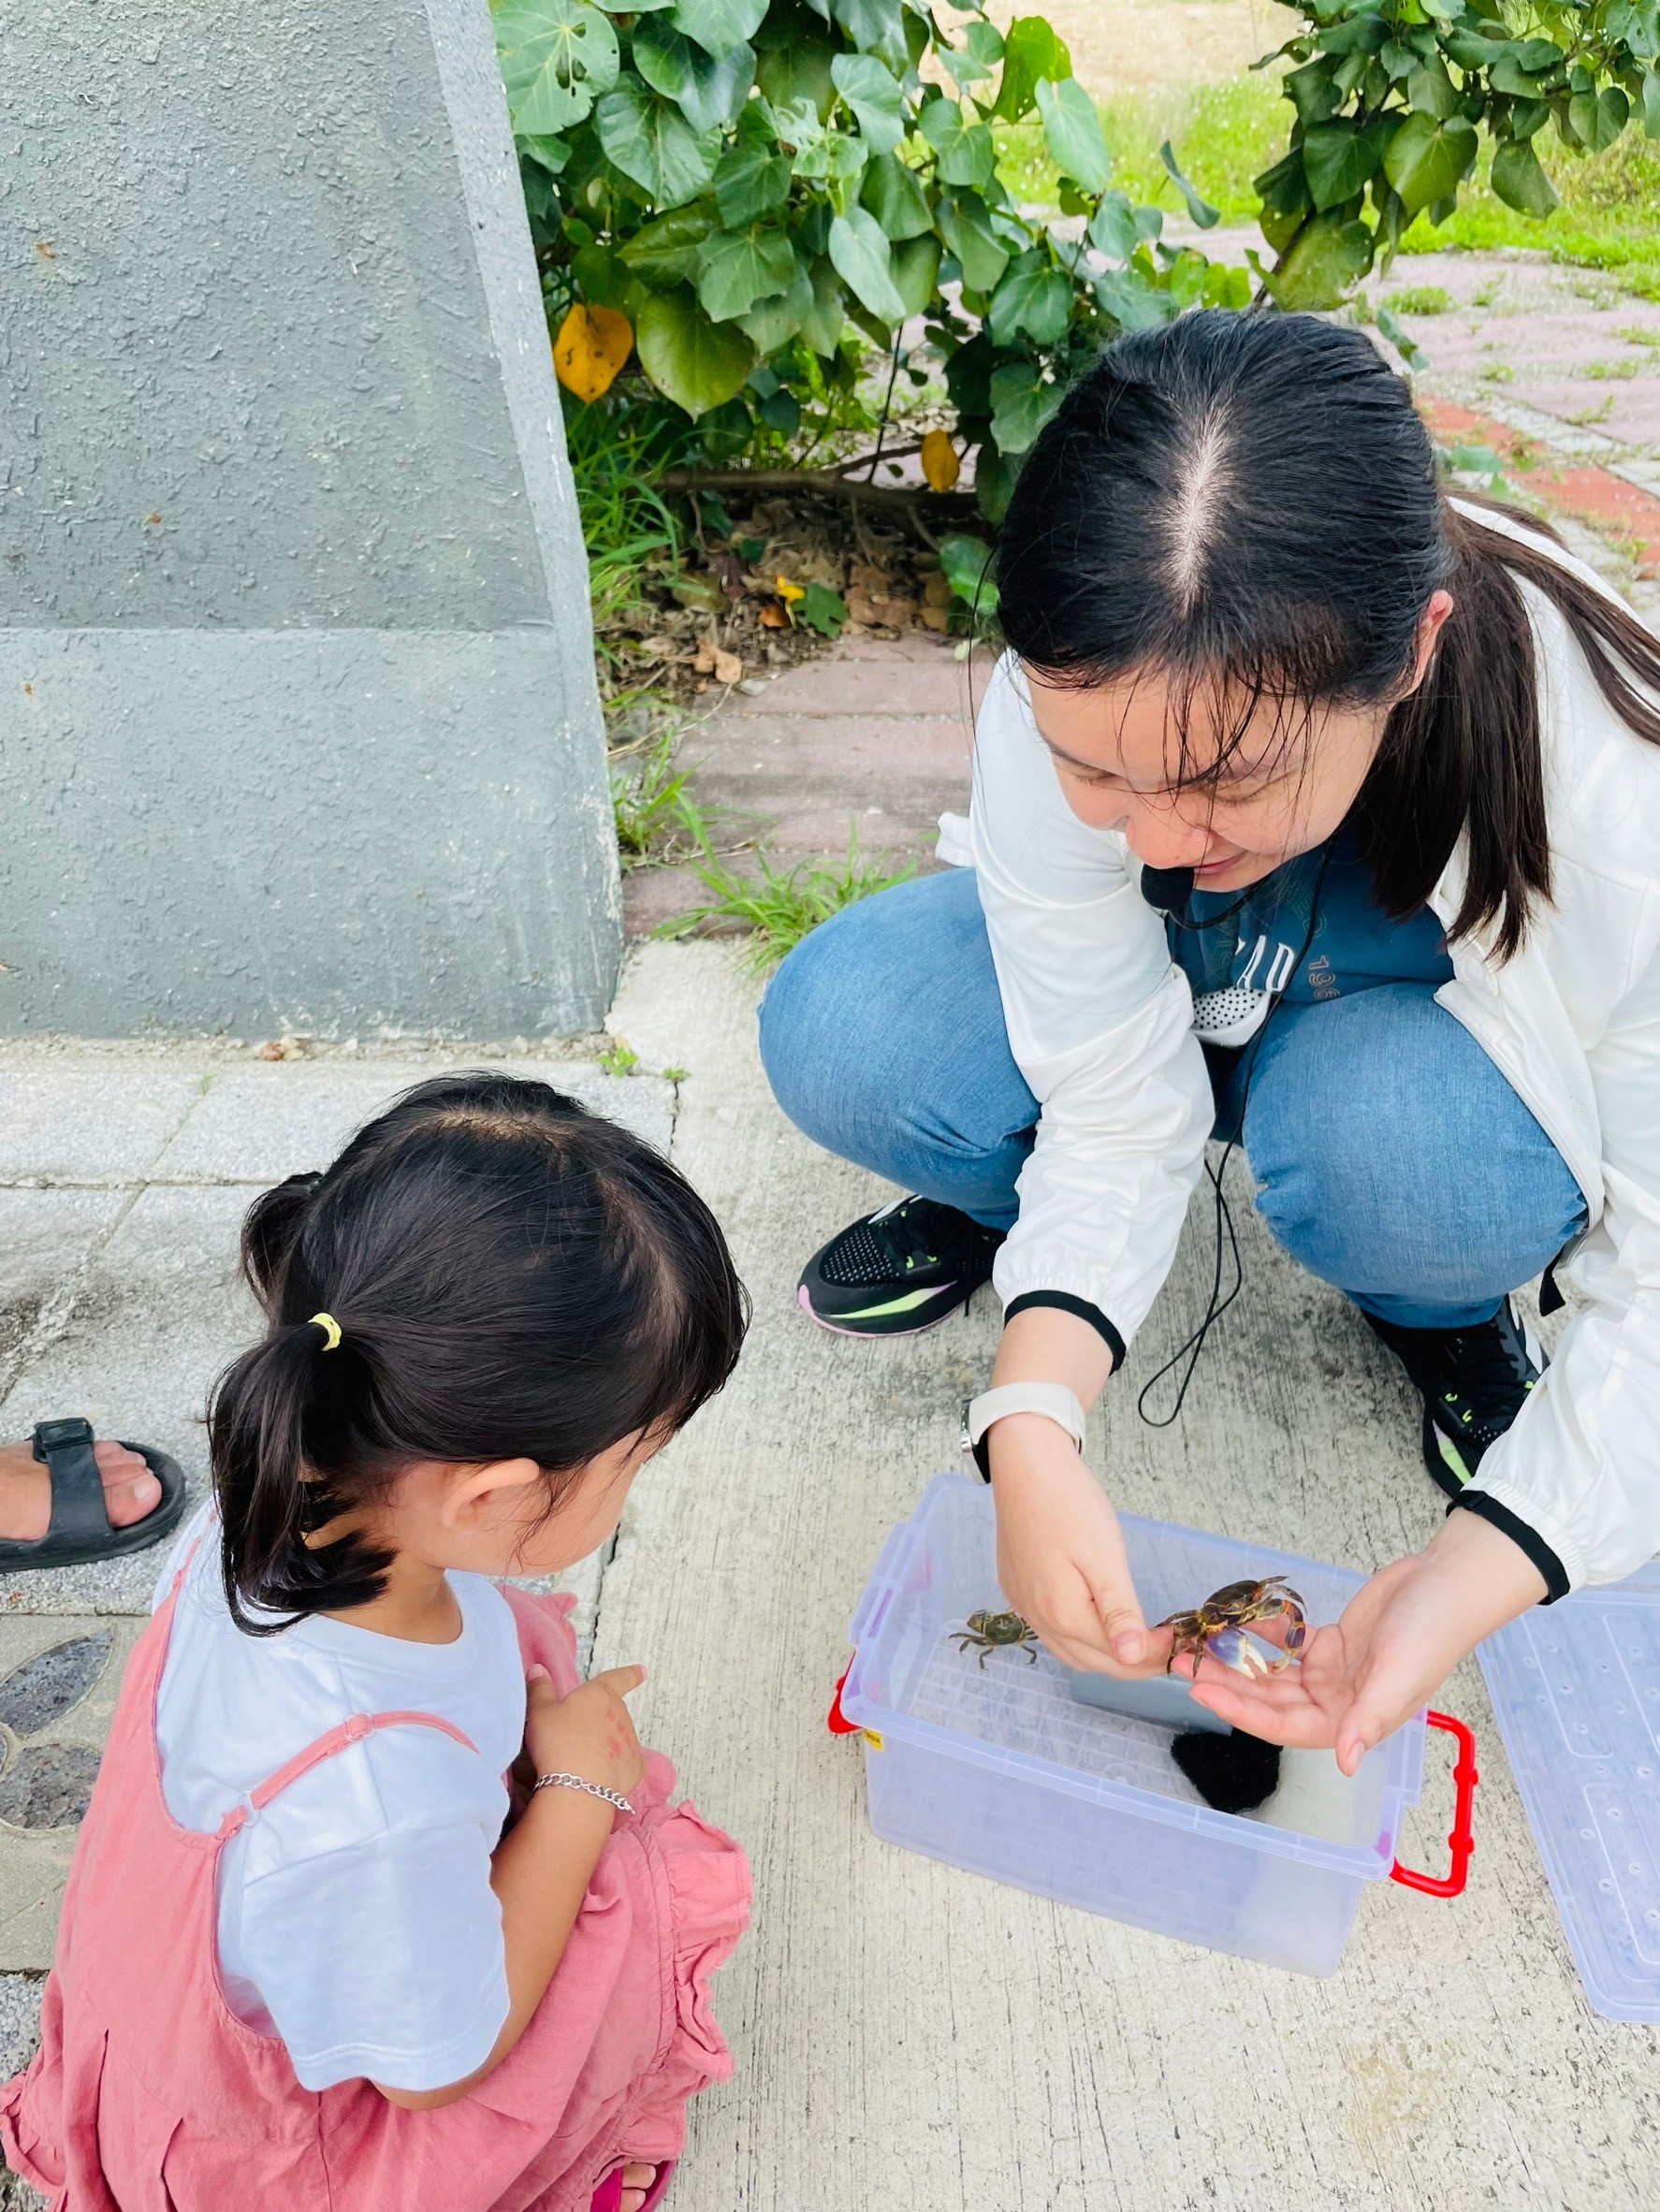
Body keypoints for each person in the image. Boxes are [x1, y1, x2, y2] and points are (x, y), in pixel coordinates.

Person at [760, 309, 1660, 1773]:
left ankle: (1428, 1302)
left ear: (1412, 653)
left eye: (1227, 780)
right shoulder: (1079, 671)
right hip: (1169, 1004)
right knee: (849, 1030)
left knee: (1413, 1171)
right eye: (1093, 769)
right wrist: (1031, 1418)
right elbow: (1112, 1100)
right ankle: (1002, 1207)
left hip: (1379, 1040)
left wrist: (1473, 1566)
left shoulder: (1615, 794)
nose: (1162, 839)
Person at [1, 1071, 751, 2212]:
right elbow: (440, 2067)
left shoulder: (257, 1500)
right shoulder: (372, 1798)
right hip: (286, 2145)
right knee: (631, 1891)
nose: (634, 1484)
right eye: (633, 1461)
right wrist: (574, 1788)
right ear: (493, 1495)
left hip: (185, 1989)